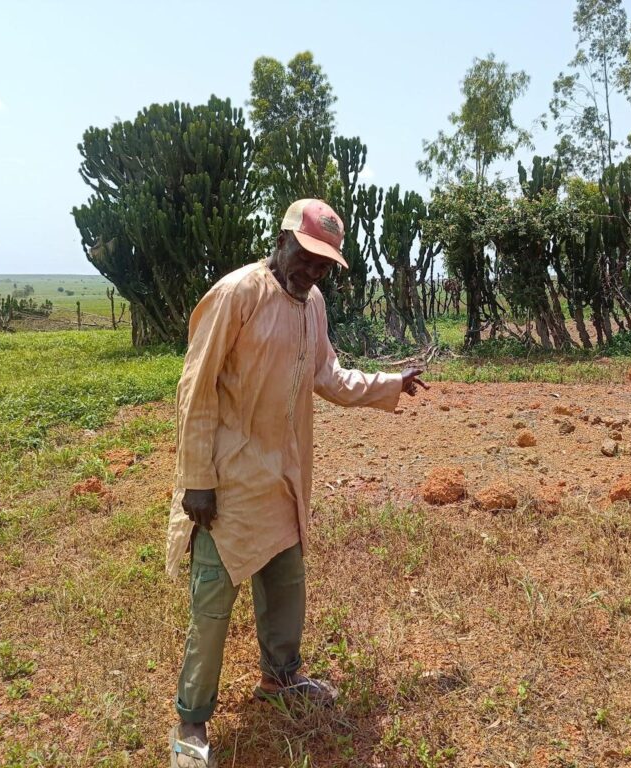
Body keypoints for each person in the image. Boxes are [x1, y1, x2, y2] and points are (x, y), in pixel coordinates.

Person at [166, 199, 427, 767]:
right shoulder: (238, 295)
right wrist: (196, 481)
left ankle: (281, 678)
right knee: (213, 601)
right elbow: (196, 390)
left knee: (286, 583)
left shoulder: (313, 307)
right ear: (282, 241)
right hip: (229, 479)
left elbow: (326, 375)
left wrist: (388, 382)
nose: (312, 271)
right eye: (307, 257)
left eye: (324, 265)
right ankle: (191, 721)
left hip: (284, 476)